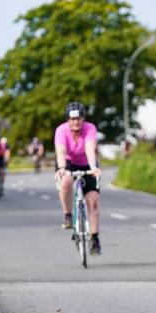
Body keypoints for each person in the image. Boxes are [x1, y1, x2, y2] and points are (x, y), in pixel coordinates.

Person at [54, 102, 102, 255]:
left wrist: (93, 167)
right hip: (67, 162)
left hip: (87, 162)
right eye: (72, 119)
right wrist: (62, 168)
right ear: (68, 120)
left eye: (79, 118)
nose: (76, 122)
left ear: (83, 119)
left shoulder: (90, 128)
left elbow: (90, 147)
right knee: (66, 181)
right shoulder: (61, 131)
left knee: (93, 201)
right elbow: (61, 151)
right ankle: (68, 215)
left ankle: (94, 238)